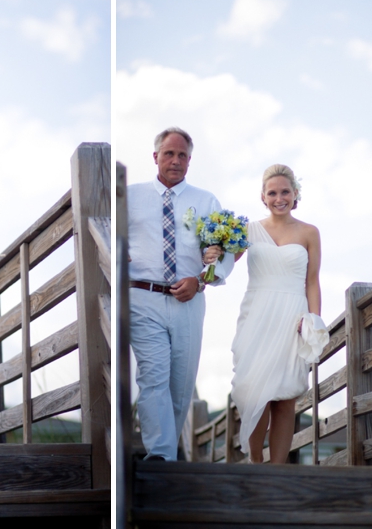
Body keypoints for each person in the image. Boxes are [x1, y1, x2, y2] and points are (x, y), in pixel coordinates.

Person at [128, 127, 234, 461]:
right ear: (155, 156)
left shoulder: (206, 201)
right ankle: (160, 459)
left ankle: (167, 455)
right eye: (169, 153)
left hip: (190, 301)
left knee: (180, 388)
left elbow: (226, 252)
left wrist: (202, 281)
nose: (176, 160)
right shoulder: (128, 197)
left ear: (190, 160)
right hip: (143, 298)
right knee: (153, 376)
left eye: (183, 155)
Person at [207, 164, 321, 464]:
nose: (279, 198)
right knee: (254, 391)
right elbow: (223, 266)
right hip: (257, 316)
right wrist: (212, 255)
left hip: (291, 318)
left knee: (285, 398)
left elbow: (312, 281)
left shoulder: (310, 232)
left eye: (285, 191)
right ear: (263, 197)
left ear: (296, 194)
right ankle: (256, 464)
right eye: (273, 192)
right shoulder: (248, 230)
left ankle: (278, 470)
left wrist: (314, 320)